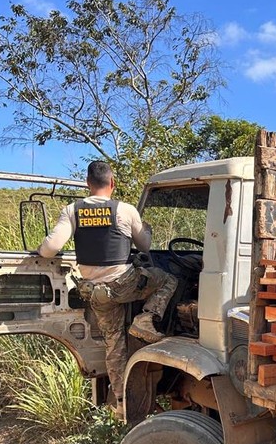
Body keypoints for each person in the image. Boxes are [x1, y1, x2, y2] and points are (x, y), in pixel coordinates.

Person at [37, 160, 177, 412]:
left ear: (88, 184)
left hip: (96, 292)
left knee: (114, 342)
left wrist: (39, 249)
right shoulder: (125, 210)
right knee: (168, 279)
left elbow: (50, 249)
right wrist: (146, 230)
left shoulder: (72, 210)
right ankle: (146, 319)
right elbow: (144, 246)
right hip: (126, 283)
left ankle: (121, 401)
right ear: (112, 183)